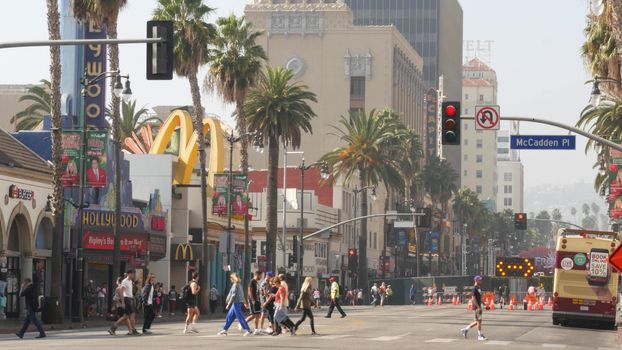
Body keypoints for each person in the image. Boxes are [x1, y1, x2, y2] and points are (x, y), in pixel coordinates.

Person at [460, 275, 487, 341]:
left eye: (481, 280)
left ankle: (465, 329)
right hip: (476, 307)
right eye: (480, 280)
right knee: (479, 321)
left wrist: (484, 304)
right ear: (476, 281)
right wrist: (478, 307)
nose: (481, 281)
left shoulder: (478, 288)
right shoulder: (474, 288)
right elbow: (473, 299)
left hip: (478, 306)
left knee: (477, 321)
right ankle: (479, 335)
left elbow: (479, 298)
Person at [122, 270, 139, 335]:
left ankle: (114, 327)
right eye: (132, 274)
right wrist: (123, 301)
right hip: (126, 299)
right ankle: (133, 329)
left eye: (133, 274)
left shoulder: (131, 281)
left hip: (131, 299)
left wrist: (133, 298)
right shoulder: (124, 281)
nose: (133, 275)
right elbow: (122, 291)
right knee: (131, 314)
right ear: (128, 274)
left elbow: (131, 291)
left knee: (128, 315)